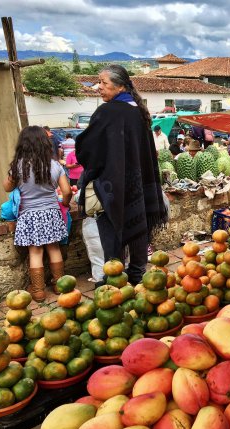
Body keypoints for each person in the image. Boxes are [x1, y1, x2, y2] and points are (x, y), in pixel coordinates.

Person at [76, 64, 168, 286]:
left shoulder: (106, 112)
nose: (98, 87)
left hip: (113, 188)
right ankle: (138, 279)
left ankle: (115, 283)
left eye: (103, 83)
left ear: (119, 86)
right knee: (138, 230)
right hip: (138, 186)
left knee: (112, 240)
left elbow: (87, 150)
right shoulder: (139, 111)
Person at [3, 126, 72, 302]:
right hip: (51, 213)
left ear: (23, 144)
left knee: (35, 252)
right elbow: (66, 191)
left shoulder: (18, 166)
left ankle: (39, 291)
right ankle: (59, 285)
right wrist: (64, 204)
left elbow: (6, 187)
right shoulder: (54, 165)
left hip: (29, 215)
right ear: (44, 143)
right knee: (54, 248)